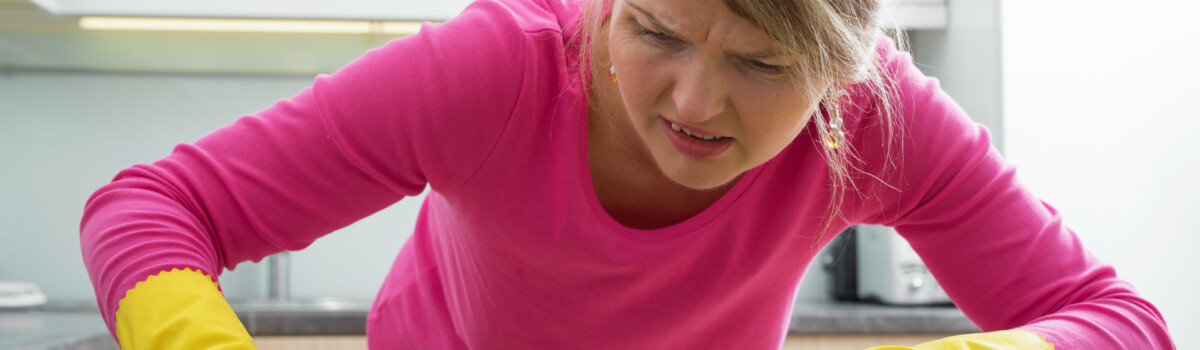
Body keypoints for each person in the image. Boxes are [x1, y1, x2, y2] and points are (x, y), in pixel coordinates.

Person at [79, 0, 1176, 348]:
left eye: (761, 63)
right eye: (654, 28)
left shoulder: (874, 117)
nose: (695, 104)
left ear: (840, 68)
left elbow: (1118, 318)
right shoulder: (495, 67)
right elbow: (152, 205)